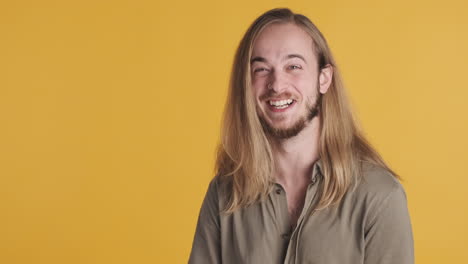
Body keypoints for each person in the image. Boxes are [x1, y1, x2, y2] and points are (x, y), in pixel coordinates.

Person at [188, 8, 414, 264]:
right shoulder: (224, 193)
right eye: (261, 70)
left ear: (324, 78)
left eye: (293, 66)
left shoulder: (379, 196)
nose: (277, 84)